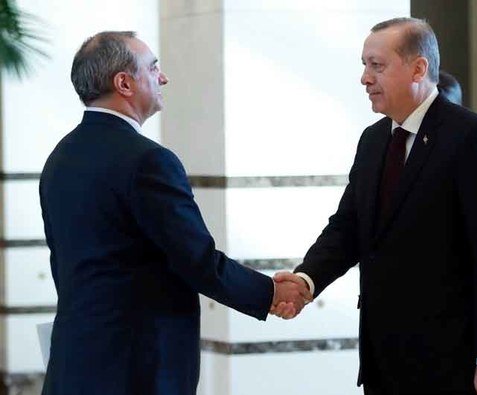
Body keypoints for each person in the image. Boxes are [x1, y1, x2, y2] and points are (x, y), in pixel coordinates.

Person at [39, 31, 310, 395]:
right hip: (137, 367)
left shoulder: (60, 157)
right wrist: (270, 293)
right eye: (153, 69)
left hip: (75, 361)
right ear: (124, 83)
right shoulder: (147, 160)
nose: (163, 77)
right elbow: (196, 259)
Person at [277, 17, 477, 395]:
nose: (365, 78)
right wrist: (306, 281)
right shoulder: (373, 140)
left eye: (377, 66)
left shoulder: (471, 137)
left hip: (450, 364)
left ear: (418, 68)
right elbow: (348, 228)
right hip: (383, 359)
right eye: (364, 65)